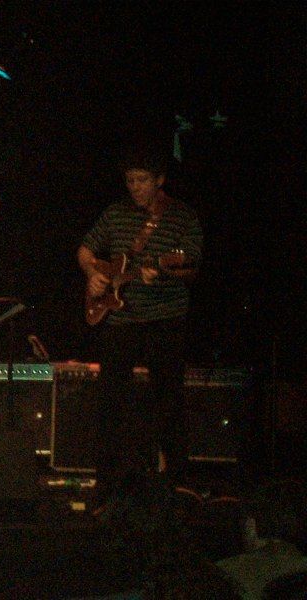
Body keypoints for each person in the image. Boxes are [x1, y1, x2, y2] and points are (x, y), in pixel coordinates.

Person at [77, 147, 203, 508]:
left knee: (169, 400)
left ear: (159, 180)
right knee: (110, 402)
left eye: (142, 180)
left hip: (165, 318)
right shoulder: (115, 214)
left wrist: (163, 271)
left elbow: (191, 265)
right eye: (130, 180)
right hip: (121, 319)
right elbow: (85, 249)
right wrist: (93, 275)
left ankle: (178, 481)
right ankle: (106, 485)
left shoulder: (181, 217)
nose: (135, 186)